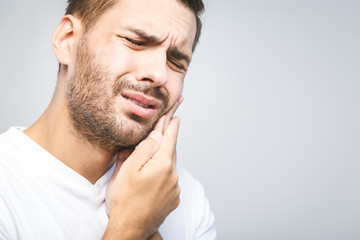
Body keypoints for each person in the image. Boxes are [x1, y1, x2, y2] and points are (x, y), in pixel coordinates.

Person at [0, 0, 216, 239]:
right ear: (67, 41)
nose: (158, 74)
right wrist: (131, 227)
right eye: (136, 42)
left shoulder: (182, 196)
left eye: (176, 61)